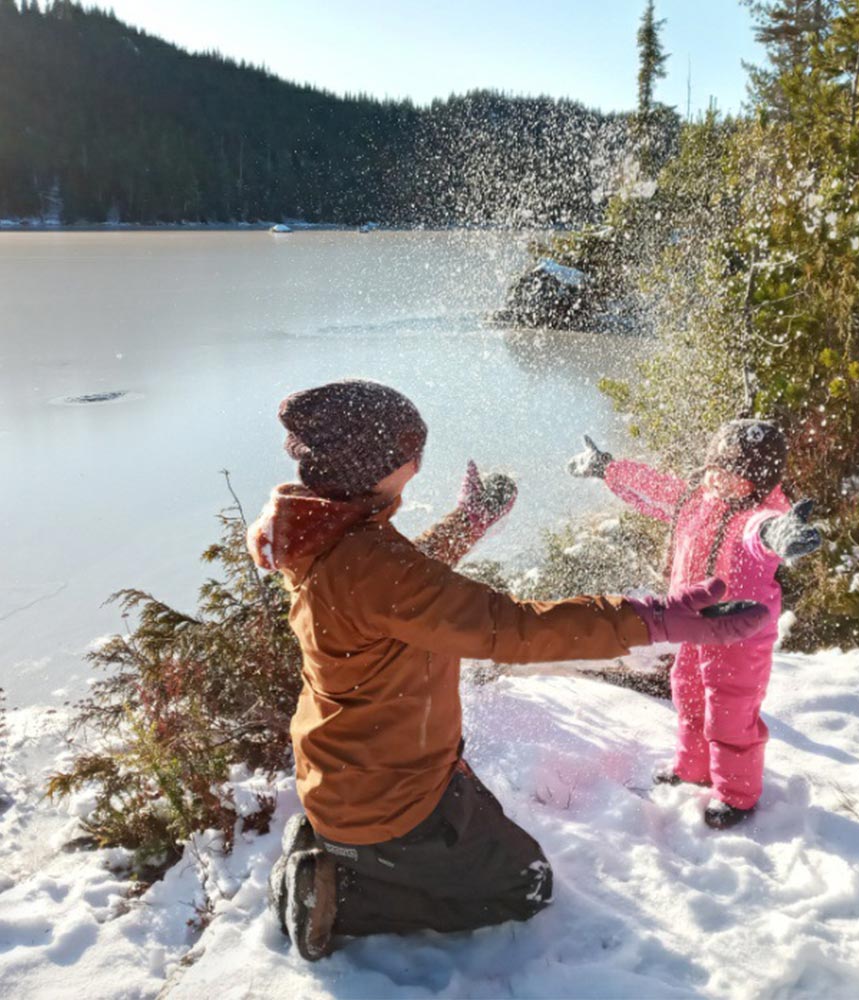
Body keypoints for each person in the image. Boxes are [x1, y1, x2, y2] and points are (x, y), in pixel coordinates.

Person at [247, 379, 770, 960]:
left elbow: (403, 582)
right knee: (527, 886)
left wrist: (469, 522)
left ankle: (346, 848)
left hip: (359, 768)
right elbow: (511, 627)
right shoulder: (368, 564)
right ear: (373, 465)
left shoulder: (331, 534)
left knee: (486, 835)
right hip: (386, 799)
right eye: (408, 451)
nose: (419, 461)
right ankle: (337, 892)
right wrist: (655, 619)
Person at [568, 420, 821, 830]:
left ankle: (736, 794)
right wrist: (607, 468)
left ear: (757, 480)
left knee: (730, 711)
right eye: (714, 467)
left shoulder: (757, 516)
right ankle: (693, 767)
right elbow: (653, 488)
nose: (717, 478)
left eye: (731, 473)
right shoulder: (696, 500)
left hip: (739, 633)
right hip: (691, 627)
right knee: (687, 694)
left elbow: (764, 532)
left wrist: (781, 532)